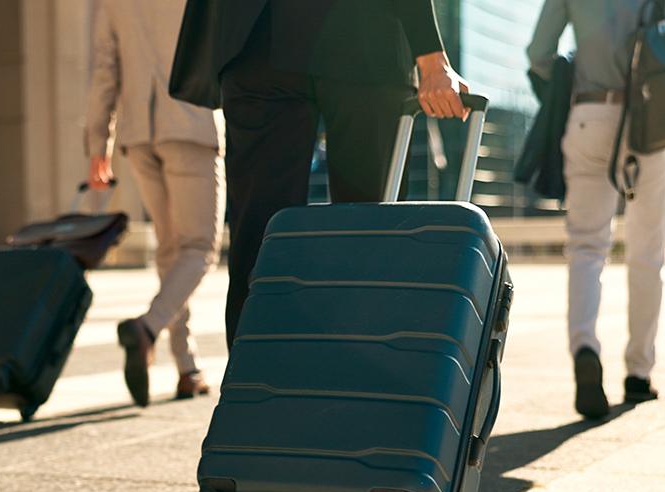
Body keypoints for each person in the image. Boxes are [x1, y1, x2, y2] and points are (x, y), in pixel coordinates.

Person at [169, 0, 470, 345]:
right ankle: (365, 378)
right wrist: (432, 60)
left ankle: (255, 384)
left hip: (260, 40)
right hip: (361, 40)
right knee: (370, 235)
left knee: (261, 237)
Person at [528, 0, 665, 419]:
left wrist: (573, 79)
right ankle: (639, 374)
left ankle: (585, 348)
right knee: (647, 255)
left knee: (586, 249)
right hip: (657, 118)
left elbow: (538, 55)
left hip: (590, 112)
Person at [86, 0, 226, 406]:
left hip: (139, 134)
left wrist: (99, 144)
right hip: (191, 126)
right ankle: (147, 328)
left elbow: (104, 70)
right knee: (198, 249)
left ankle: (187, 367)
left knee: (171, 251)